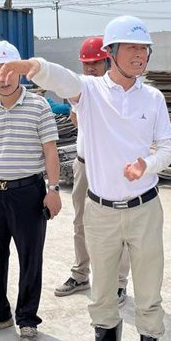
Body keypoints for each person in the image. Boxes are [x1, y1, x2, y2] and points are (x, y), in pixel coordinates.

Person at [0, 16, 171, 341]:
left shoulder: (153, 98)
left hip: (145, 209)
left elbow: (167, 147)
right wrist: (32, 66)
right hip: (101, 212)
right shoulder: (91, 92)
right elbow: (62, 79)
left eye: (144, 49)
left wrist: (146, 165)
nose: (140, 55)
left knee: (148, 295)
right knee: (101, 292)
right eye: (132, 48)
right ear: (111, 52)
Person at [0, 40, 61, 341]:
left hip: (28, 193)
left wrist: (53, 189)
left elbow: (50, 151)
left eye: (8, 71)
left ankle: (27, 320)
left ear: (20, 72)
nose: (2, 78)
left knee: (30, 259)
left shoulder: (39, 106)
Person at [54, 36, 131, 306]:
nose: (89, 69)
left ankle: (118, 283)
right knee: (81, 221)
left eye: (95, 63)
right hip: (84, 165)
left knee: (118, 226)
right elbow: (78, 120)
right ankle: (80, 274)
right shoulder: (82, 90)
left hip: (111, 169)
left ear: (109, 61)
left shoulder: (119, 92)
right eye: (86, 64)